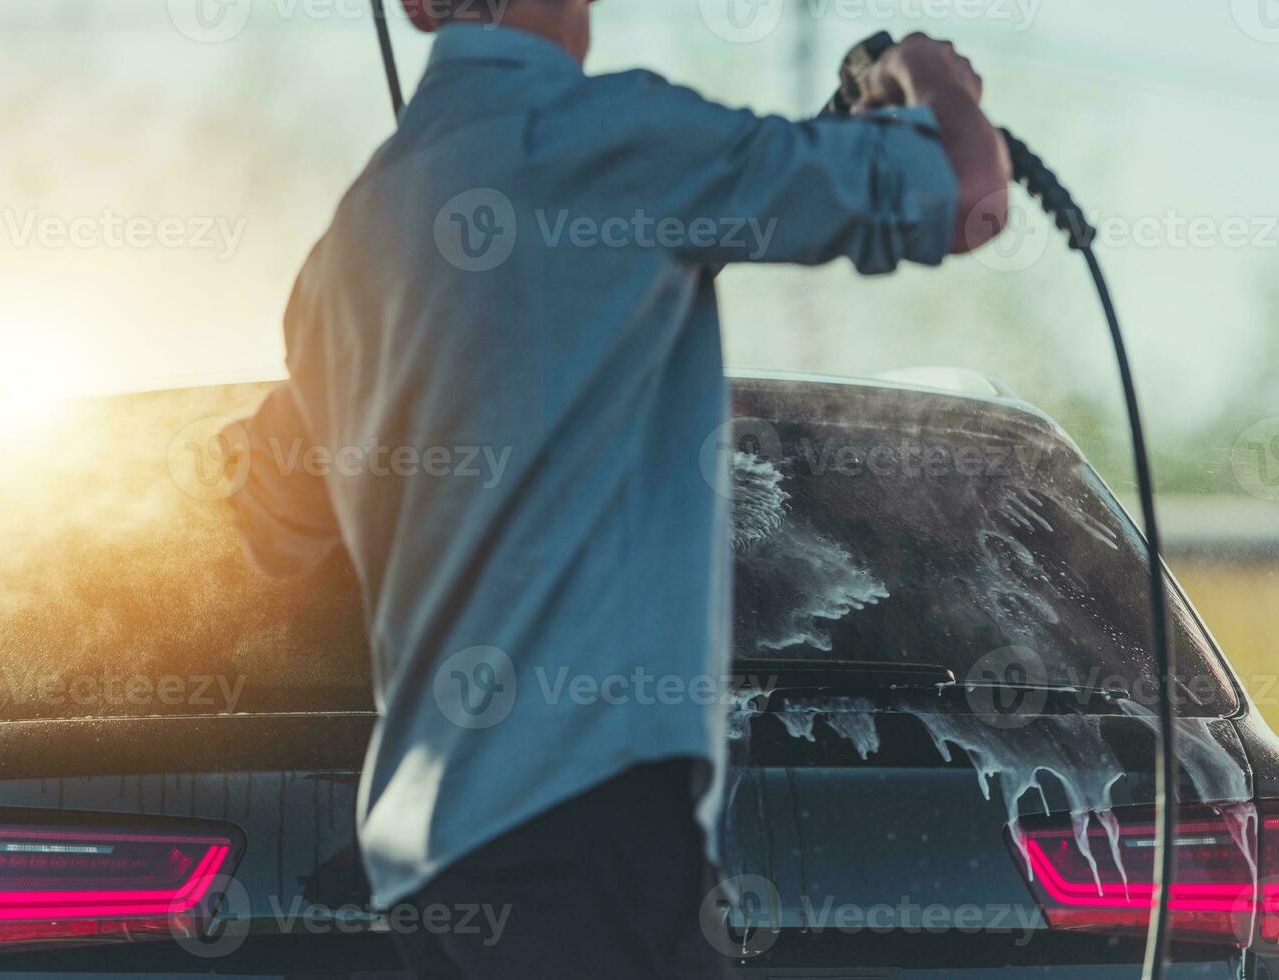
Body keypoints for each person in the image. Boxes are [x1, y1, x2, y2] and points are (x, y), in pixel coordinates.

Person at [224, 1, 1010, 975]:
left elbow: (270, 525)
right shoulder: (619, 138)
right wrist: (932, 77)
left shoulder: (343, 250)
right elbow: (968, 194)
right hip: (583, 845)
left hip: (432, 875)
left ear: (418, 9)